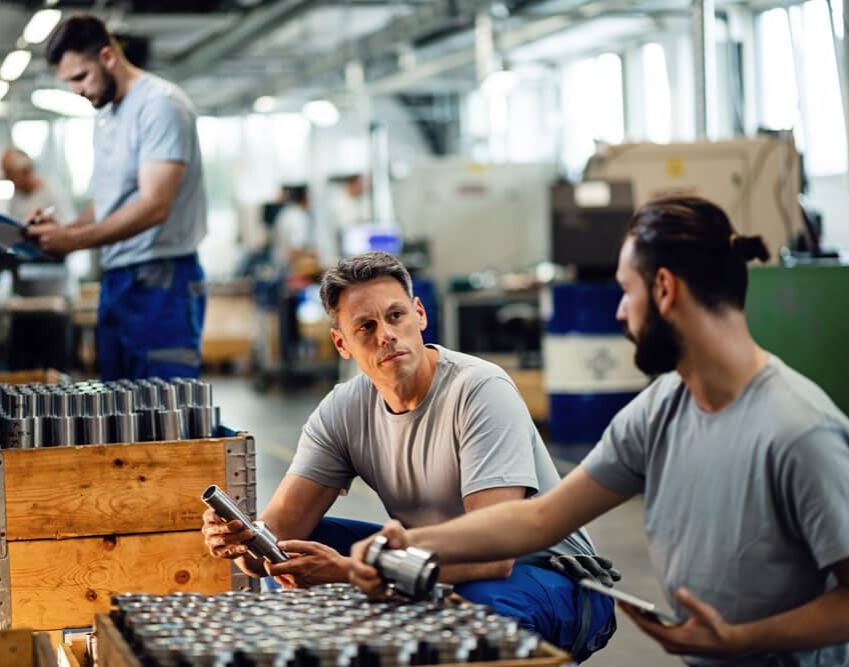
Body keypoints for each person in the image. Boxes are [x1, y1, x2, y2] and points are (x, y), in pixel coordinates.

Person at [349, 197, 849, 666]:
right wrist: (411, 545)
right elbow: (540, 519)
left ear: (665, 289)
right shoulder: (663, 407)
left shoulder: (798, 430)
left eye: (626, 291)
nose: (619, 311)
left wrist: (742, 640)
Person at [202, 251, 618, 662]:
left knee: (468, 611)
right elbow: (276, 541)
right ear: (341, 343)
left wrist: (351, 570)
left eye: (395, 315)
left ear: (420, 314)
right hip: (439, 565)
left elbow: (493, 556)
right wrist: (241, 543)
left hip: (552, 580)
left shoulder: (478, 390)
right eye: (365, 326)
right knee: (297, 550)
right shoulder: (343, 409)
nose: (385, 334)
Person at [26, 15, 208, 380]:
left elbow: (155, 205)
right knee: (118, 404)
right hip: (118, 280)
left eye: (80, 77)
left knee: (165, 408)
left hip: (162, 281)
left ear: (108, 57)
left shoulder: (160, 105)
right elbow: (111, 199)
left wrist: (72, 241)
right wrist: (61, 230)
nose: (77, 91)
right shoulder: (107, 111)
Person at [0, 147, 75, 223]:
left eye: (10, 174)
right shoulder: (17, 194)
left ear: (26, 171)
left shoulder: (53, 192)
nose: (6, 178)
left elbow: (67, 225)